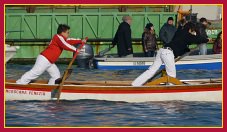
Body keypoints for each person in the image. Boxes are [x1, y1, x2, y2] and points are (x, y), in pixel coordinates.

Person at [132, 22, 211, 86]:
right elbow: (197, 39)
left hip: (162, 50)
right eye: (193, 31)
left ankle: (135, 84)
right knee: (171, 74)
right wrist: (207, 39)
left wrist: (187, 49)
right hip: (168, 53)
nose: (193, 33)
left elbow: (179, 44)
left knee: (151, 70)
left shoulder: (179, 32)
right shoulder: (187, 34)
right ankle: (170, 90)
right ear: (190, 29)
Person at [16, 24, 86, 85]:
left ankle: (51, 87)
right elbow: (65, 45)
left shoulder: (62, 39)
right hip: (44, 59)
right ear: (62, 32)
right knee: (35, 72)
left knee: (56, 76)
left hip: (50, 62)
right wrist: (76, 50)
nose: (68, 34)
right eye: (68, 32)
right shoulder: (57, 37)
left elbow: (69, 41)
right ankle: (20, 84)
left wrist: (80, 41)